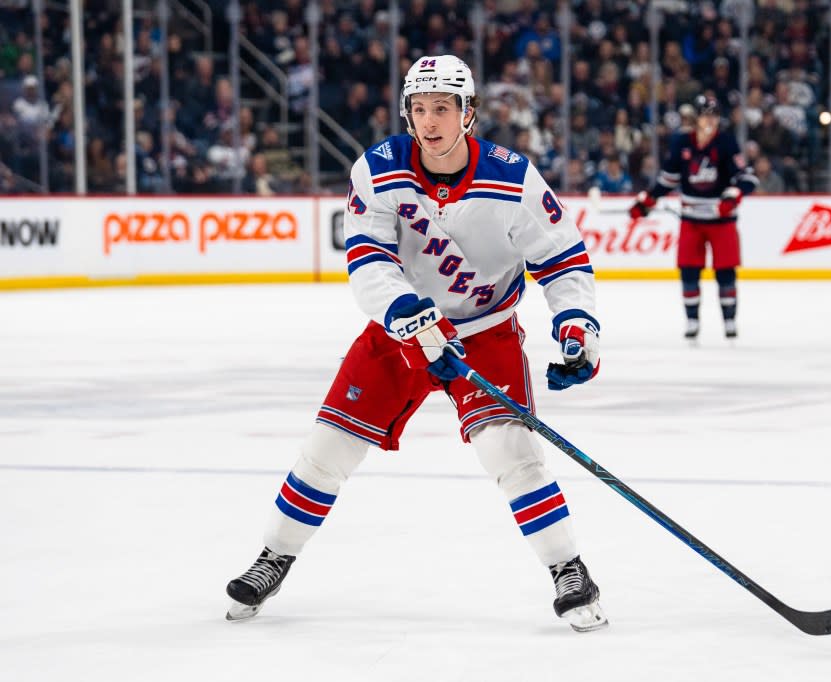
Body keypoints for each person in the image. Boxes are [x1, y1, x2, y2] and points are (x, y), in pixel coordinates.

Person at [225, 55, 609, 632]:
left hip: (484, 335)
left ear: (468, 113)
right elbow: (368, 255)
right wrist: (407, 313)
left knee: (512, 453)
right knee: (328, 448)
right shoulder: (379, 168)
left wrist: (577, 326)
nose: (430, 122)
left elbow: (562, 259)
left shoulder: (513, 178)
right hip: (401, 335)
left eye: (443, 109)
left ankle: (569, 569)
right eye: (420, 109)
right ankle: (273, 556)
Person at [629, 95, 758, 340]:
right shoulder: (681, 143)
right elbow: (668, 180)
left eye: (713, 114)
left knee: (725, 271)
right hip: (691, 220)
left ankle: (729, 321)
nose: (709, 119)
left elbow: (747, 178)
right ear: (696, 118)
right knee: (689, 270)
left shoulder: (726, 142)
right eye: (705, 114)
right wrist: (648, 200)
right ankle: (692, 320)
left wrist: (732, 196)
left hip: (722, 220)